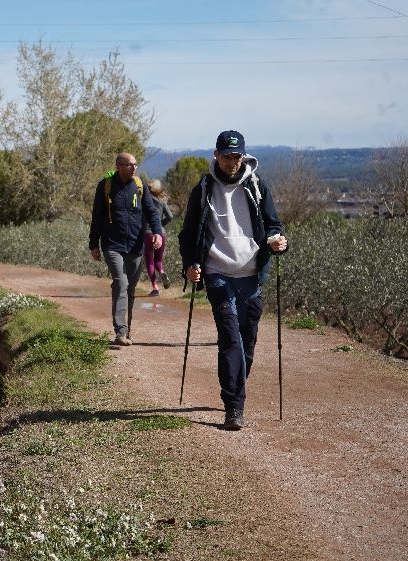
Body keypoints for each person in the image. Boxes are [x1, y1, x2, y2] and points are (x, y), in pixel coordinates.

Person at [177, 130, 288, 431]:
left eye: (236, 156)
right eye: (227, 156)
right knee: (230, 336)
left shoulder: (256, 185)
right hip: (217, 272)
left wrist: (279, 241)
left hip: (251, 273)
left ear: (243, 156)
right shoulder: (203, 189)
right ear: (216, 155)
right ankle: (234, 406)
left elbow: (274, 225)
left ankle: (236, 381)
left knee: (247, 339)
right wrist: (190, 265)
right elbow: (187, 235)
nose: (232, 162)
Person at [89, 152, 163, 347]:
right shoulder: (105, 186)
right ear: (118, 166)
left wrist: (157, 232)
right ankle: (120, 331)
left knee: (129, 288)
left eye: (135, 165)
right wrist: (93, 244)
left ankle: (126, 330)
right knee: (121, 282)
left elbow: (151, 212)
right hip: (112, 245)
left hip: (136, 245)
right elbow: (97, 216)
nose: (134, 168)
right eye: (129, 165)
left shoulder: (140, 187)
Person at [143, 179, 174, 296]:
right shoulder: (161, 201)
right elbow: (170, 216)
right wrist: (161, 225)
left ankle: (155, 288)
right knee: (158, 260)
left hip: (148, 233)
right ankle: (162, 271)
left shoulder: (143, 200)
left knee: (150, 262)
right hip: (161, 233)